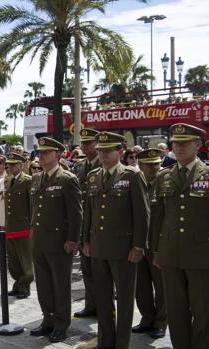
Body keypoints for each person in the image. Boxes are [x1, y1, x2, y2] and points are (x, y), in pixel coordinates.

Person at [82, 131, 150, 349]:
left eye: (108, 149)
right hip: (98, 247)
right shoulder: (93, 176)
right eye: (100, 149)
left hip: (124, 249)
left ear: (120, 151)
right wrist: (86, 240)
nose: (102, 153)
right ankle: (105, 341)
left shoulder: (131, 175)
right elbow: (89, 213)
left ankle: (121, 344)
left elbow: (142, 214)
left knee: (125, 301)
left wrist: (139, 245)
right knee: (102, 299)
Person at [152, 123, 209, 349]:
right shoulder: (164, 176)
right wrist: (156, 250)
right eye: (176, 143)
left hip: (201, 254)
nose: (180, 147)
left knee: (203, 310)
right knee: (176, 310)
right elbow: (158, 217)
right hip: (170, 253)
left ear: (198, 145)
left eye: (185, 143)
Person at [29, 137, 82, 343]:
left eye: (46, 152)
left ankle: (61, 324)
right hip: (39, 241)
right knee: (43, 284)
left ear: (57, 155)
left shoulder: (67, 179)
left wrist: (73, 239)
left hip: (60, 242)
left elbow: (76, 213)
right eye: (39, 153)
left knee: (60, 285)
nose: (40, 156)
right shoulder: (36, 178)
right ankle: (47, 320)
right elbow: (34, 210)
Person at [133, 148, 167, 339]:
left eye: (156, 163)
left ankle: (161, 322)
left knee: (162, 287)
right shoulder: (135, 183)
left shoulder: (164, 183)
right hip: (139, 244)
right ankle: (147, 319)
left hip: (157, 245)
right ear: (140, 165)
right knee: (141, 286)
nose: (153, 168)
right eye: (148, 164)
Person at [72, 128, 101, 319]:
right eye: (83, 143)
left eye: (89, 142)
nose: (85, 146)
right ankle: (91, 305)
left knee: (102, 271)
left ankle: (104, 306)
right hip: (84, 224)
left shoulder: (106, 163)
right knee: (87, 269)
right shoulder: (80, 166)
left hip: (101, 224)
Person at [4, 153, 34, 299]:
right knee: (14, 262)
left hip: (23, 226)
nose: (10, 167)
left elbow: (31, 205)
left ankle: (24, 287)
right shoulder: (9, 180)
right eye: (9, 164)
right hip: (11, 226)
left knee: (26, 262)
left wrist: (31, 226)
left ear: (21, 165)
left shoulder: (28, 181)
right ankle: (18, 285)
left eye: (13, 164)